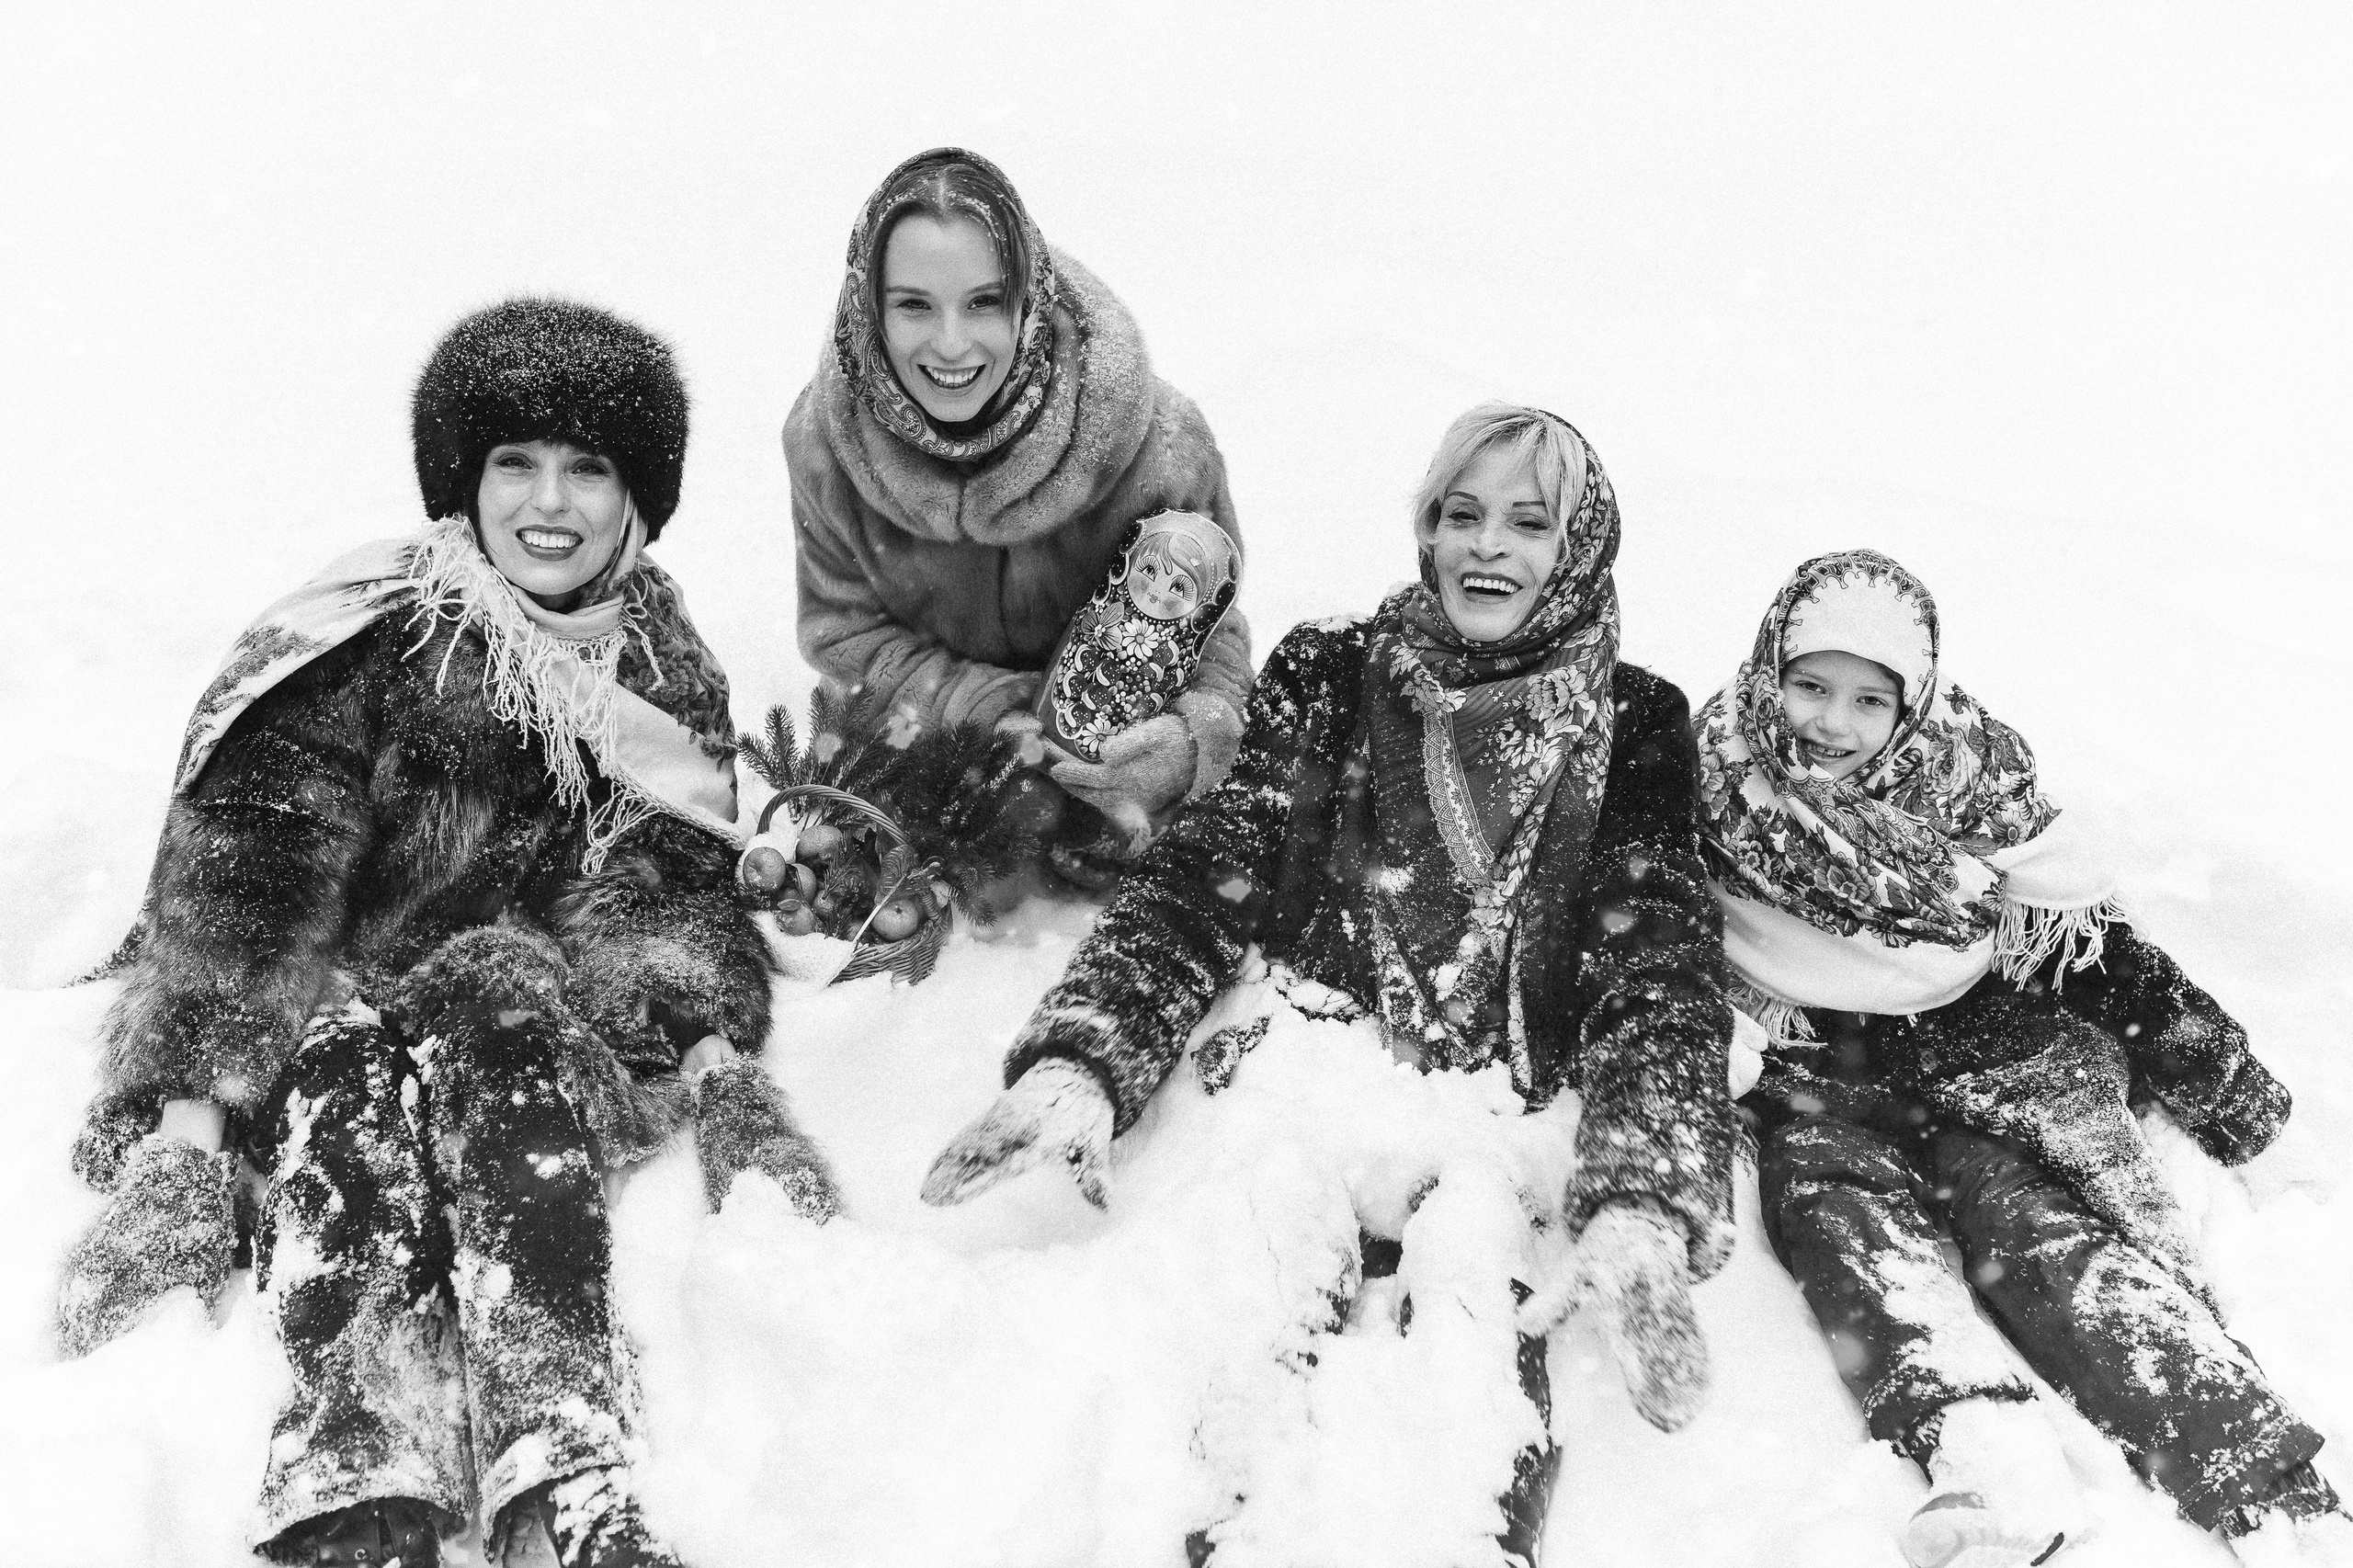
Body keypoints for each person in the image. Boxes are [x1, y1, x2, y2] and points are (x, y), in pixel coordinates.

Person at [54, 300, 807, 1568]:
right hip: (323, 981)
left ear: (638, 496)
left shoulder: (657, 667)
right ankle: (354, 1466)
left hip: (504, 995)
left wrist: (707, 1051)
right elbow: (253, 862)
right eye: (515, 462)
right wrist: (191, 1121)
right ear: (465, 480)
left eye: (588, 467)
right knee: (347, 1112)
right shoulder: (365, 633)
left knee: (517, 1085)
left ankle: (565, 1462)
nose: (549, 503)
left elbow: (661, 879)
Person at [921, 403, 1738, 1561]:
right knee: (1264, 1304)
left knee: (1470, 1313)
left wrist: (1648, 1196)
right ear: (1426, 528)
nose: (1485, 545)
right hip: (1311, 1073)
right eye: (1460, 513)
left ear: (1580, 547)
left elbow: (1655, 955)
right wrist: (1083, 1061)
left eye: (1527, 522)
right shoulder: (1333, 667)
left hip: (1493, 1110)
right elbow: (1210, 871)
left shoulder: (1636, 719)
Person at [1699, 550, 2351, 1567]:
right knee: (1839, 1221)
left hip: (1973, 1059)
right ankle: (1984, 1451)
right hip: (1808, 1065)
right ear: (1765, 669)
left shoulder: (1968, 786)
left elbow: (2108, 966)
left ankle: (2262, 1483)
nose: (1831, 722)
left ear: (1912, 706)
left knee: (2040, 1234)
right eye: (1809, 685)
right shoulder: (1718, 780)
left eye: (1869, 699)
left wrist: (2248, 1114)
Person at [783, 147, 1250, 874]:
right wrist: (984, 712)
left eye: (985, 301)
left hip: (1114, 794)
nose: (951, 344)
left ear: (1030, 299)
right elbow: (844, 633)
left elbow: (1211, 630)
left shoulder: (1160, 447)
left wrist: (1189, 744)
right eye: (913, 304)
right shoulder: (828, 446)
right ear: (868, 309)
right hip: (928, 764)